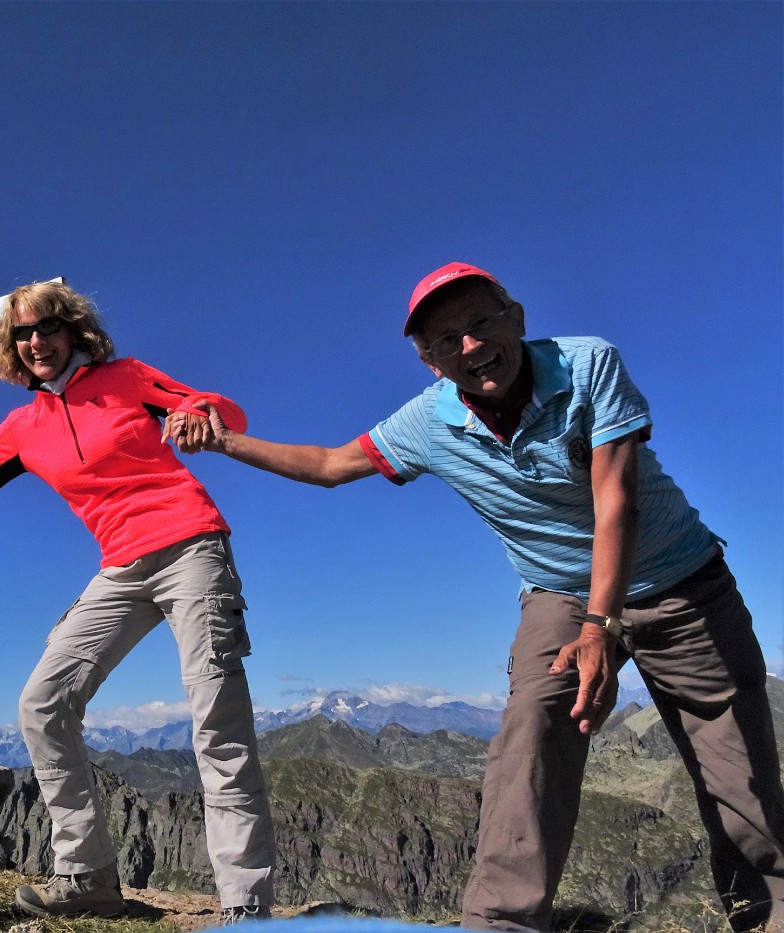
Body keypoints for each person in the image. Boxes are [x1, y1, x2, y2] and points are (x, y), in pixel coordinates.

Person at [168, 262, 784, 931]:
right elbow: (328, 465)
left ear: (516, 318)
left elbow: (616, 500)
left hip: (681, 581)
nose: (469, 345)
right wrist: (224, 440)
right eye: (445, 340)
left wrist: (601, 626)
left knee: (739, 775)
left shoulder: (587, 364)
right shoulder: (428, 423)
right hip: (558, 591)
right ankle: (500, 921)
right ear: (429, 361)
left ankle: (769, 915)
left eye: (481, 323)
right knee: (530, 737)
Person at [0, 281, 276, 922]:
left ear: (72, 329)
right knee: (42, 703)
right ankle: (87, 877)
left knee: (216, 721)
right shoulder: (24, 428)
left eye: (46, 327)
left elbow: (221, 413)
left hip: (191, 547)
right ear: (12, 348)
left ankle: (245, 905)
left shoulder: (128, 378)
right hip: (119, 569)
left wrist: (199, 412)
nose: (35, 342)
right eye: (22, 334)